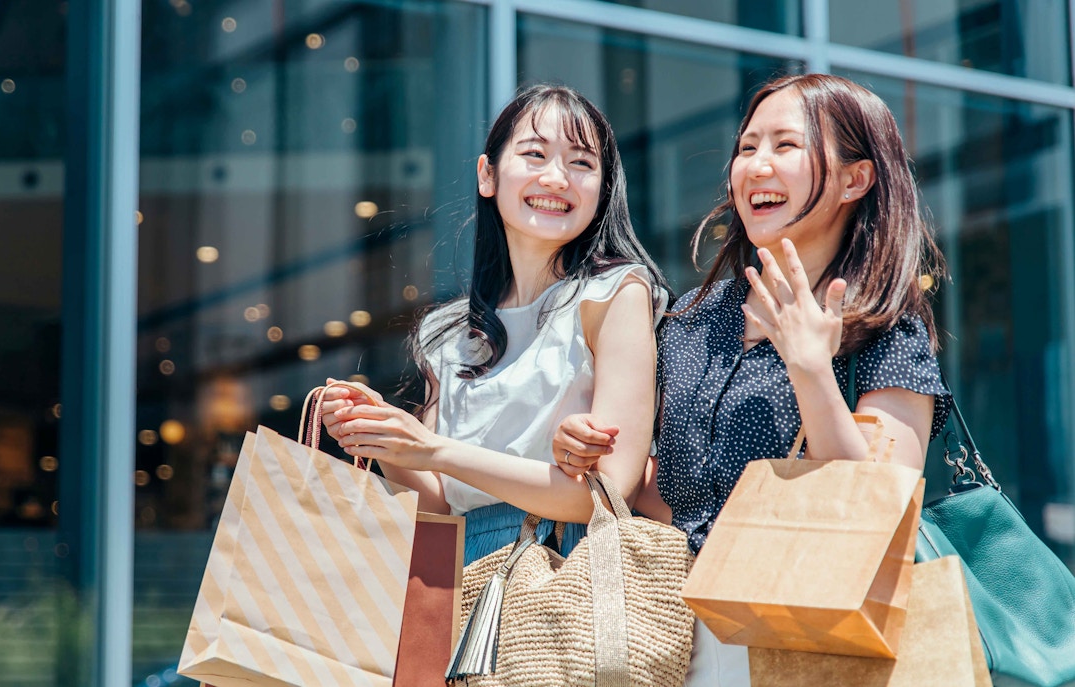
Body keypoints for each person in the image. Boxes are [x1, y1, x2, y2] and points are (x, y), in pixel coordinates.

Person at [553, 73, 952, 686]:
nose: (756, 166)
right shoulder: (691, 320)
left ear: (855, 179)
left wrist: (810, 367)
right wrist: (594, 454)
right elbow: (673, 495)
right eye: (747, 148)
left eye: (785, 146)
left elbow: (878, 506)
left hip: (812, 640)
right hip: (676, 634)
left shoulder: (884, 328)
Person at [317, 83, 670, 565]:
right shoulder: (447, 331)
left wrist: (433, 449)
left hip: (562, 571)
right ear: (488, 175)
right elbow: (439, 506)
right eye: (534, 154)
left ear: (603, 188)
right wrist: (383, 438)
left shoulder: (614, 293)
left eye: (581, 163)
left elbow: (604, 494)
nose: (557, 178)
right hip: (464, 578)